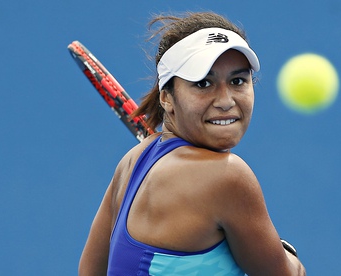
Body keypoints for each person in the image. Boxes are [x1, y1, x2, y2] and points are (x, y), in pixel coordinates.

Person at [78, 11, 306, 276]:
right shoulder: (228, 175)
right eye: (203, 83)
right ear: (167, 98)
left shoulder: (132, 161)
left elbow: (89, 270)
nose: (225, 100)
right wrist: (287, 255)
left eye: (237, 81)